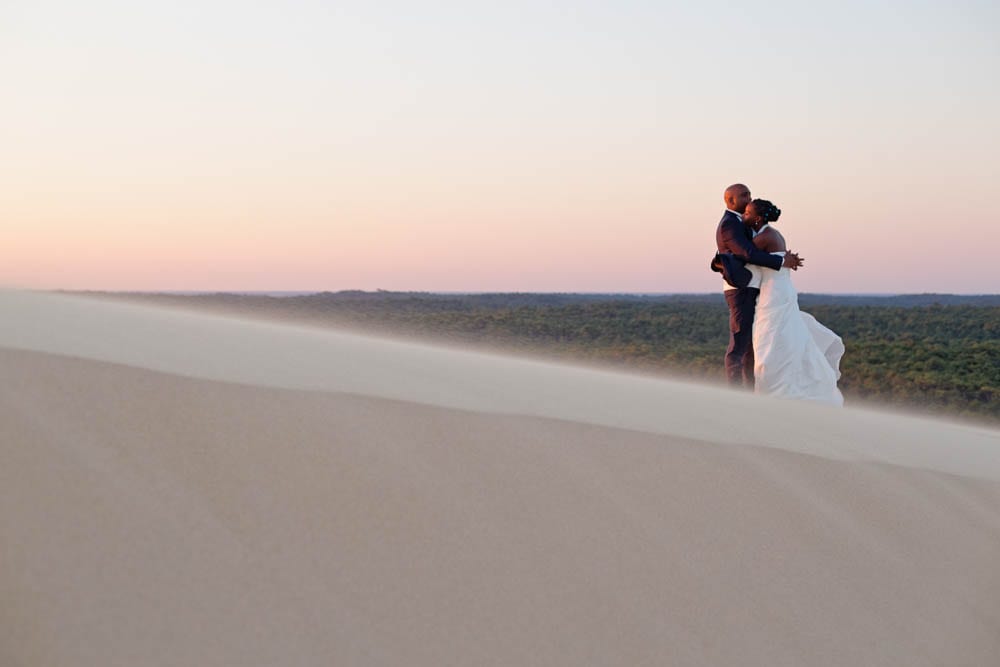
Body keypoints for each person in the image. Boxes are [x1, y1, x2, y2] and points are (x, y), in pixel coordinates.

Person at [743, 199, 844, 405]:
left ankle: (772, 388)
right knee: (776, 337)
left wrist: (720, 258)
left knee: (769, 338)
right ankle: (773, 383)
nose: (744, 216)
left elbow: (743, 255)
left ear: (758, 218)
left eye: (747, 213)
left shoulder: (765, 237)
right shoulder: (773, 235)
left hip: (773, 293)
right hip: (779, 289)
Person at [713, 184, 803, 388]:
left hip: (754, 287)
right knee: (739, 343)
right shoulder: (729, 224)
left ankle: (752, 388)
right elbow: (747, 254)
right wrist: (781, 261)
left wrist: (780, 257)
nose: (748, 198)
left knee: (752, 345)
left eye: (749, 195)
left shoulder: (743, 223)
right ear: (731, 200)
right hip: (740, 288)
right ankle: (736, 392)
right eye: (744, 195)